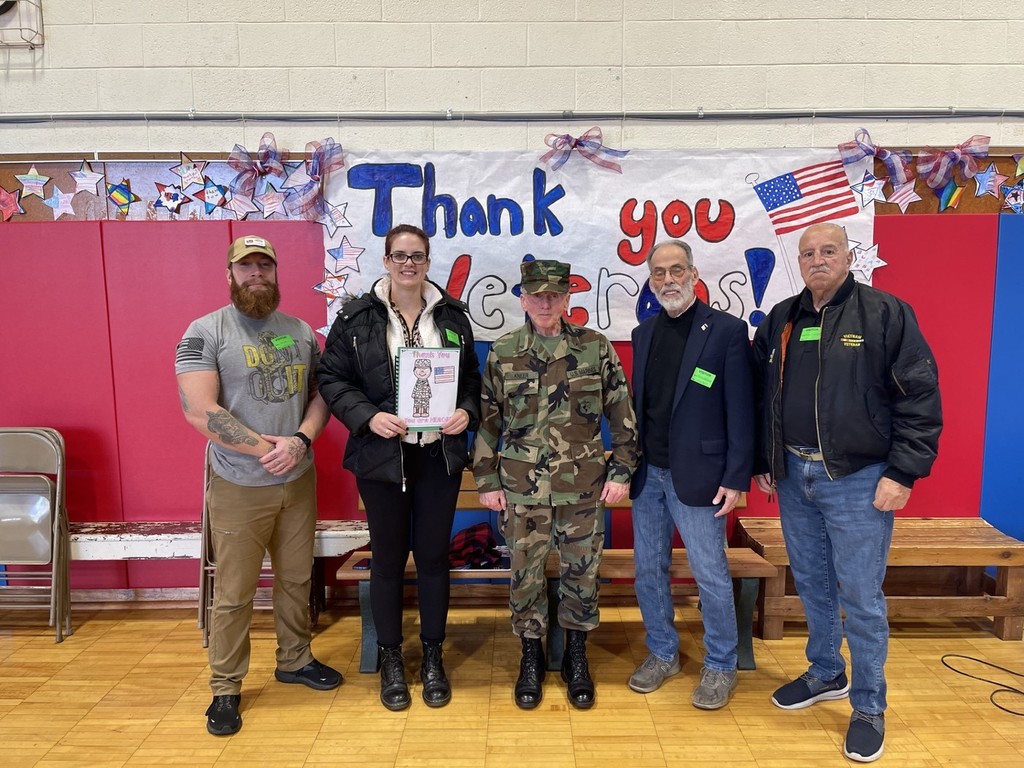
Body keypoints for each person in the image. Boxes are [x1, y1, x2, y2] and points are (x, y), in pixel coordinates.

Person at [752, 222, 942, 763]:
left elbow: (920, 396)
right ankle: (826, 672)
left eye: (828, 251)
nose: (817, 260)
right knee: (813, 584)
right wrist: (767, 459)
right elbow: (766, 395)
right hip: (794, 475)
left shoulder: (885, 313)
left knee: (861, 597)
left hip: (858, 479)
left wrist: (903, 473)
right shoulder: (784, 318)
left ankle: (867, 705)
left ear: (848, 255)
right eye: (808, 253)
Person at [176, 234, 340, 737]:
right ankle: (226, 687)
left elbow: (321, 395)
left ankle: (294, 659)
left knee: (295, 579)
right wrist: (262, 450)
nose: (256, 275)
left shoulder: (301, 332)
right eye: (246, 267)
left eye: (264, 266)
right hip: (238, 483)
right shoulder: (205, 332)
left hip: (296, 476)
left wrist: (299, 441)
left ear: (275, 271)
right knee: (234, 592)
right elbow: (200, 409)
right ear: (230, 274)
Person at [318, 224, 481, 711]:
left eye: (418, 256)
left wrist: (467, 412)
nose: (409, 264)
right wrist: (368, 416)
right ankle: (392, 658)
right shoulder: (356, 317)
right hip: (382, 458)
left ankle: (433, 656)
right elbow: (331, 377)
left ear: (428, 262)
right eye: (400, 256)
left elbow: (470, 376)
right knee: (388, 561)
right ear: (386, 260)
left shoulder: (452, 316)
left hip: (438, 456)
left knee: (433, 559)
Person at [473, 259, 638, 711]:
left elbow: (622, 416)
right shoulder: (504, 350)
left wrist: (622, 471)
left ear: (568, 299)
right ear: (523, 299)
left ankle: (576, 657)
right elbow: (488, 422)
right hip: (522, 487)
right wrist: (486, 479)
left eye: (554, 295)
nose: (546, 303)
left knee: (582, 574)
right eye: (537, 295)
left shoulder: (595, 348)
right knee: (524, 575)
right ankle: (531, 655)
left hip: (582, 487)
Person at [627, 240, 754, 709]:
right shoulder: (644, 333)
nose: (667, 280)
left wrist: (737, 475)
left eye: (675, 270)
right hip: (649, 475)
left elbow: (741, 408)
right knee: (648, 573)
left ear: (694, 274)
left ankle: (721, 665)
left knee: (710, 575)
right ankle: (662, 653)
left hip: (701, 476)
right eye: (658, 273)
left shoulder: (724, 331)